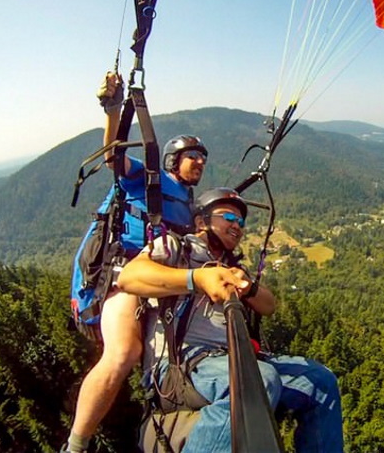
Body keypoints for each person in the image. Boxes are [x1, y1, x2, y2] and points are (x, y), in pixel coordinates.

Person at [117, 187, 344, 452]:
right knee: (259, 378)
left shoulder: (232, 267)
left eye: (241, 222)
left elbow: (269, 306)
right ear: (201, 221)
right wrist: (196, 279)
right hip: (179, 364)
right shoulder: (177, 248)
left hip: (227, 358)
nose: (238, 226)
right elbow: (129, 277)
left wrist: (247, 288)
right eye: (229, 218)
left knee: (320, 381)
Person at [63, 72, 209, 453]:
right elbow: (114, 155)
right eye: (192, 156)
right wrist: (114, 110)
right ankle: (75, 447)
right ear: (174, 160)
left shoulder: (189, 205)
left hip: (157, 281)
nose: (199, 162)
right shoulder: (149, 178)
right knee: (123, 354)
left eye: (202, 158)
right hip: (122, 277)